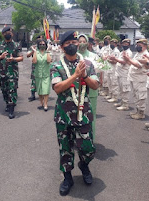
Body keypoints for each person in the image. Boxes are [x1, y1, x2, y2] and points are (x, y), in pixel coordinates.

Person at [50, 30, 99, 196]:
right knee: (65, 149)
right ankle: (67, 177)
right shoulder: (56, 66)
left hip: (83, 113)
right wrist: (75, 76)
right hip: (63, 115)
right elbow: (57, 88)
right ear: (62, 47)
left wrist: (83, 75)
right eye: (68, 43)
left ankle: (84, 165)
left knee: (88, 148)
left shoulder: (88, 63)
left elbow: (95, 85)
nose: (72, 45)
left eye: (74, 42)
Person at [0, 27, 23, 119]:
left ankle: (11, 109)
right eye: (6, 32)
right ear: (3, 34)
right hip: (2, 72)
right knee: (4, 90)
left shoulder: (16, 45)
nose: (8, 34)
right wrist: (1, 57)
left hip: (13, 73)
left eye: (9, 32)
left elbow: (21, 58)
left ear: (12, 34)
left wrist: (13, 59)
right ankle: (7, 103)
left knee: (12, 90)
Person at [77, 34, 100, 140]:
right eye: (80, 41)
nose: (82, 43)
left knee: (91, 116)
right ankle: (78, 139)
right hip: (77, 91)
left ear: (88, 43)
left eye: (84, 41)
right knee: (77, 116)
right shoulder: (74, 56)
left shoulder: (94, 56)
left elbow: (100, 71)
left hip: (91, 91)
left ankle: (91, 139)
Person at [124, 39, 149, 120]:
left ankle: (141, 113)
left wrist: (128, 59)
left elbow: (138, 65)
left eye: (140, 46)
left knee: (140, 96)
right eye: (137, 45)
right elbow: (132, 63)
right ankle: (137, 111)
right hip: (134, 78)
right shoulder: (138, 54)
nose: (138, 47)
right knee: (135, 95)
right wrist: (128, 60)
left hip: (140, 79)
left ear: (145, 46)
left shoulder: (145, 55)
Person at [110, 38, 132, 111]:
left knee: (125, 89)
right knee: (120, 88)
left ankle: (125, 104)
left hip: (125, 73)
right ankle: (122, 102)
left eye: (126, 44)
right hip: (120, 73)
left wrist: (115, 59)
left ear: (129, 45)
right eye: (124, 44)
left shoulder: (128, 52)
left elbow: (124, 62)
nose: (125, 45)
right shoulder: (123, 52)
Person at [31, 39, 52, 111]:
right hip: (38, 74)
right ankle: (41, 103)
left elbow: (49, 61)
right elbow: (34, 61)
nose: (42, 46)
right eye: (40, 44)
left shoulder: (48, 53)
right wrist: (34, 52)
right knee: (39, 90)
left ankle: (46, 104)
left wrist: (48, 51)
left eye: (43, 44)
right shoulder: (36, 52)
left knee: (46, 90)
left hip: (46, 74)